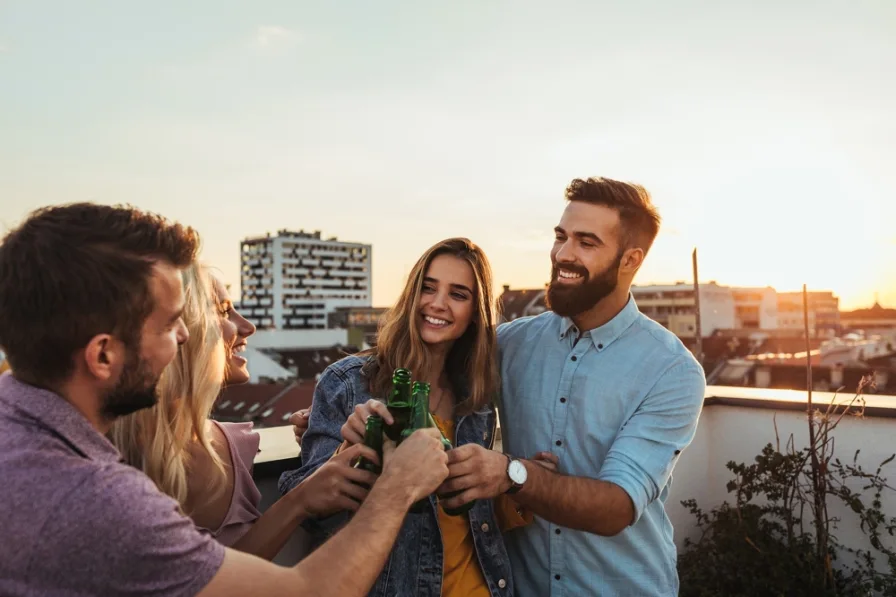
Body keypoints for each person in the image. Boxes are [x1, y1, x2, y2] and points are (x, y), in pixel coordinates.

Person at [0, 203, 450, 597]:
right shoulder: (97, 501)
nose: (184, 337)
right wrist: (398, 487)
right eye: (169, 325)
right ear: (103, 355)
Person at [434, 177, 708, 596]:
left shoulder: (671, 371)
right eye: (561, 237)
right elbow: (424, 361)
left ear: (630, 260)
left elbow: (617, 506)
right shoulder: (511, 343)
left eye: (586, 242)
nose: (563, 254)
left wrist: (512, 474)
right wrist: (339, 408)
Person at [279, 238, 555, 597]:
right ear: (412, 295)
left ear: (475, 312)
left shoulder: (476, 398)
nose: (437, 304)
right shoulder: (348, 383)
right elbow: (312, 516)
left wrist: (518, 484)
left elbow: (460, 514)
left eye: (458, 294)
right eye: (428, 288)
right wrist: (353, 455)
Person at [111, 263, 372, 560]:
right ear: (180, 329)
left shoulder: (232, 447)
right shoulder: (109, 463)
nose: (249, 327)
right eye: (224, 312)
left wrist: (321, 433)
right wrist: (302, 499)